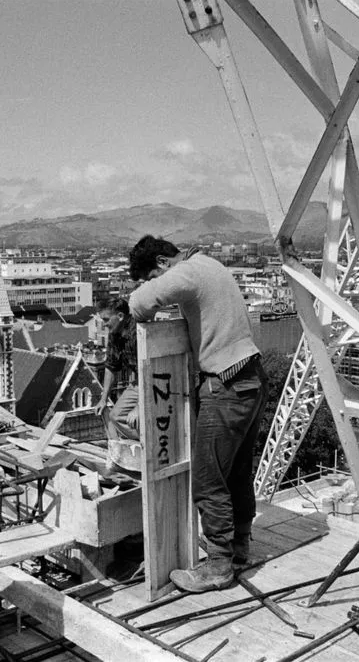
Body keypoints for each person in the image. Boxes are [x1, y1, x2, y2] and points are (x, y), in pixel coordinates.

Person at [128, 235, 267, 593]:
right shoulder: (211, 265)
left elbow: (140, 303)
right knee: (235, 472)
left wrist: (144, 298)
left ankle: (219, 565)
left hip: (227, 384)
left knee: (208, 478)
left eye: (151, 275)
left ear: (161, 263)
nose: (153, 282)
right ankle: (238, 548)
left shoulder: (189, 271)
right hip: (249, 378)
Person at [94, 298, 140, 441]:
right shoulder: (114, 334)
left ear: (120, 316)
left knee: (139, 417)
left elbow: (152, 371)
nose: (104, 324)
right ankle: (146, 441)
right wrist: (103, 399)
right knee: (116, 416)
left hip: (156, 381)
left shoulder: (138, 333)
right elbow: (111, 366)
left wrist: (139, 407)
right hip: (140, 381)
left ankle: (152, 445)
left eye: (107, 319)